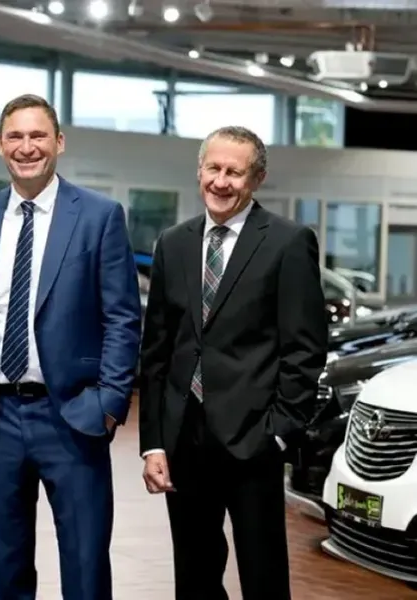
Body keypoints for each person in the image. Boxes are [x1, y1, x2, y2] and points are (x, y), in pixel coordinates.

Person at [0, 94, 142, 600]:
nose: (27, 146)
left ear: (59, 141)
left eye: (38, 135)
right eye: (15, 136)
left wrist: (108, 405)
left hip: (74, 417)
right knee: (4, 567)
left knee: (85, 566)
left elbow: (123, 318)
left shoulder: (99, 216)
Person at [138, 125, 328, 600]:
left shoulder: (287, 242)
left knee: (263, 580)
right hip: (184, 441)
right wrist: (154, 443)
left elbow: (305, 349)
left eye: (234, 172)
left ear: (256, 179)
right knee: (194, 580)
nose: (221, 182)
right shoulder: (173, 243)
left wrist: (279, 431)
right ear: (199, 171)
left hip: (253, 441)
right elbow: (157, 349)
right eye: (213, 168)